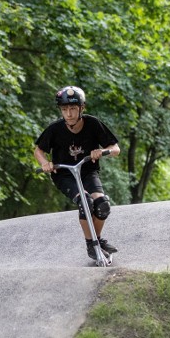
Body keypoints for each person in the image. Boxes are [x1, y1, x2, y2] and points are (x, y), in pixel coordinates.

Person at [34, 86, 121, 260]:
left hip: (88, 172)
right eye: (64, 109)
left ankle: (95, 241)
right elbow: (38, 150)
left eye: (73, 108)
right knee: (85, 201)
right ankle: (92, 245)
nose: (69, 114)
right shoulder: (55, 129)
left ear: (82, 108)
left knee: (102, 205)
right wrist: (45, 163)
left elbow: (116, 149)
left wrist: (102, 151)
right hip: (65, 175)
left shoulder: (93, 124)